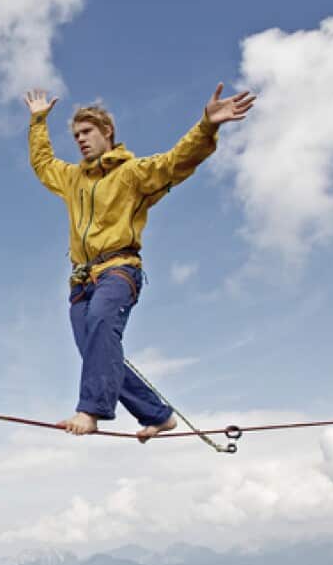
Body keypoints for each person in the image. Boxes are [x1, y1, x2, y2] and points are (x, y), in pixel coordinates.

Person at [23, 84, 254, 441]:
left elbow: (176, 161)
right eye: (76, 135)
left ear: (107, 133)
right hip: (81, 279)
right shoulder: (72, 179)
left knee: (101, 324)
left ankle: (91, 410)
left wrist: (207, 126)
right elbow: (42, 164)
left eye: (87, 133)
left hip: (119, 269)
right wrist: (38, 121)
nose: (80, 140)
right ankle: (157, 415)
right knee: (95, 350)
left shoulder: (132, 173)